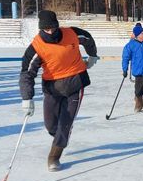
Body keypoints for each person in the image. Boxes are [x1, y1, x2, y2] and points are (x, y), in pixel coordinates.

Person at [20, 10, 99, 171]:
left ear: (57, 25)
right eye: (46, 29)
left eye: (53, 28)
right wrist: (27, 98)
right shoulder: (37, 47)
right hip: (52, 88)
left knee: (65, 123)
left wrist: (92, 56)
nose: (50, 31)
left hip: (75, 83)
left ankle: (54, 157)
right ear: (41, 28)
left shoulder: (71, 33)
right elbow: (27, 73)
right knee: (50, 125)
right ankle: (60, 137)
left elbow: (88, 38)